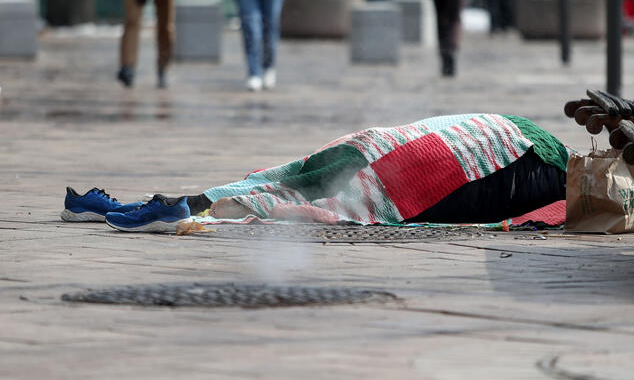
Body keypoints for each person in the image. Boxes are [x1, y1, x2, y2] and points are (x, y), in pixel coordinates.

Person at [59, 113, 568, 232]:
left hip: (387, 140)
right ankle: (186, 214)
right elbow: (550, 214)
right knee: (331, 204)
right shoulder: (555, 169)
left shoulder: (522, 129)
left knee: (292, 176)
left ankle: (181, 202)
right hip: (428, 168)